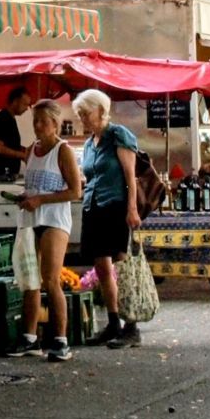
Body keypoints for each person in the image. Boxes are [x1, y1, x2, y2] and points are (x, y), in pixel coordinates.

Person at [7, 99, 83, 362]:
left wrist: (41, 200)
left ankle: (60, 340)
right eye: (34, 121)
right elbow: (34, 185)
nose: (37, 126)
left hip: (54, 220)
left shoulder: (63, 151)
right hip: (30, 219)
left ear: (55, 124)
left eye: (42, 121)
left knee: (50, 279)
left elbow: (75, 191)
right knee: (30, 281)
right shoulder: (31, 151)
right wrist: (26, 197)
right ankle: (29, 337)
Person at [74, 88, 142, 349]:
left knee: (122, 266)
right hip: (93, 207)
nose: (82, 118)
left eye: (85, 113)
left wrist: (132, 208)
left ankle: (131, 326)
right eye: (80, 114)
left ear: (101, 111)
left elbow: (129, 175)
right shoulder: (90, 144)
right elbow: (89, 176)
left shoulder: (118, 135)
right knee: (102, 266)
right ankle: (113, 321)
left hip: (115, 205)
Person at [0, 86, 32, 182]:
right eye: (25, 104)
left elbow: (11, 145)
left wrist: (28, 150)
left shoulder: (10, 119)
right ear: (15, 101)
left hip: (6, 175)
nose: (27, 109)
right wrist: (22, 155)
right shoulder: (2, 118)